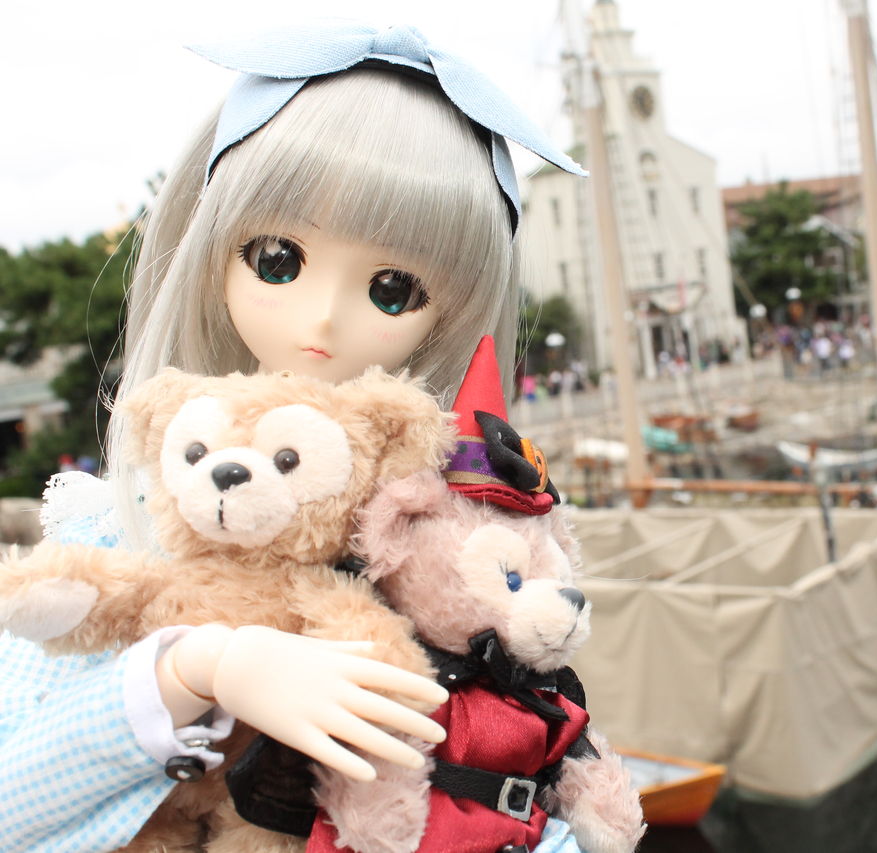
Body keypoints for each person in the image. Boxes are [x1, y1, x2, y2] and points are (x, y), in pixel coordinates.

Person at [0, 22, 588, 853]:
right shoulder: (136, 523)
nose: (323, 318)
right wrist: (197, 668)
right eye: (277, 258)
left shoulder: (449, 550)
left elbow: (528, 773)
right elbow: (13, 798)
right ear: (209, 247)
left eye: (394, 288)